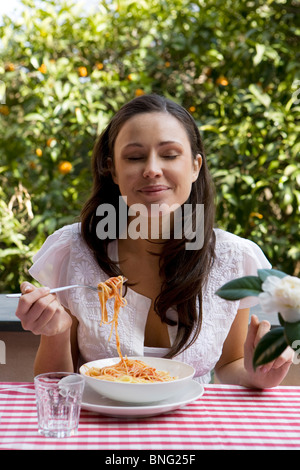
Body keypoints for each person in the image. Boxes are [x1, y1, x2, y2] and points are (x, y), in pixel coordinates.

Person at [15, 94, 293, 388]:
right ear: (112, 170)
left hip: (192, 426)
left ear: (196, 166)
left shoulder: (234, 258)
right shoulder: (72, 250)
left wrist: (258, 374)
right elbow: (55, 384)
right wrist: (55, 331)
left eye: (170, 155)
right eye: (134, 157)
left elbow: (229, 364)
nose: (152, 169)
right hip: (100, 427)